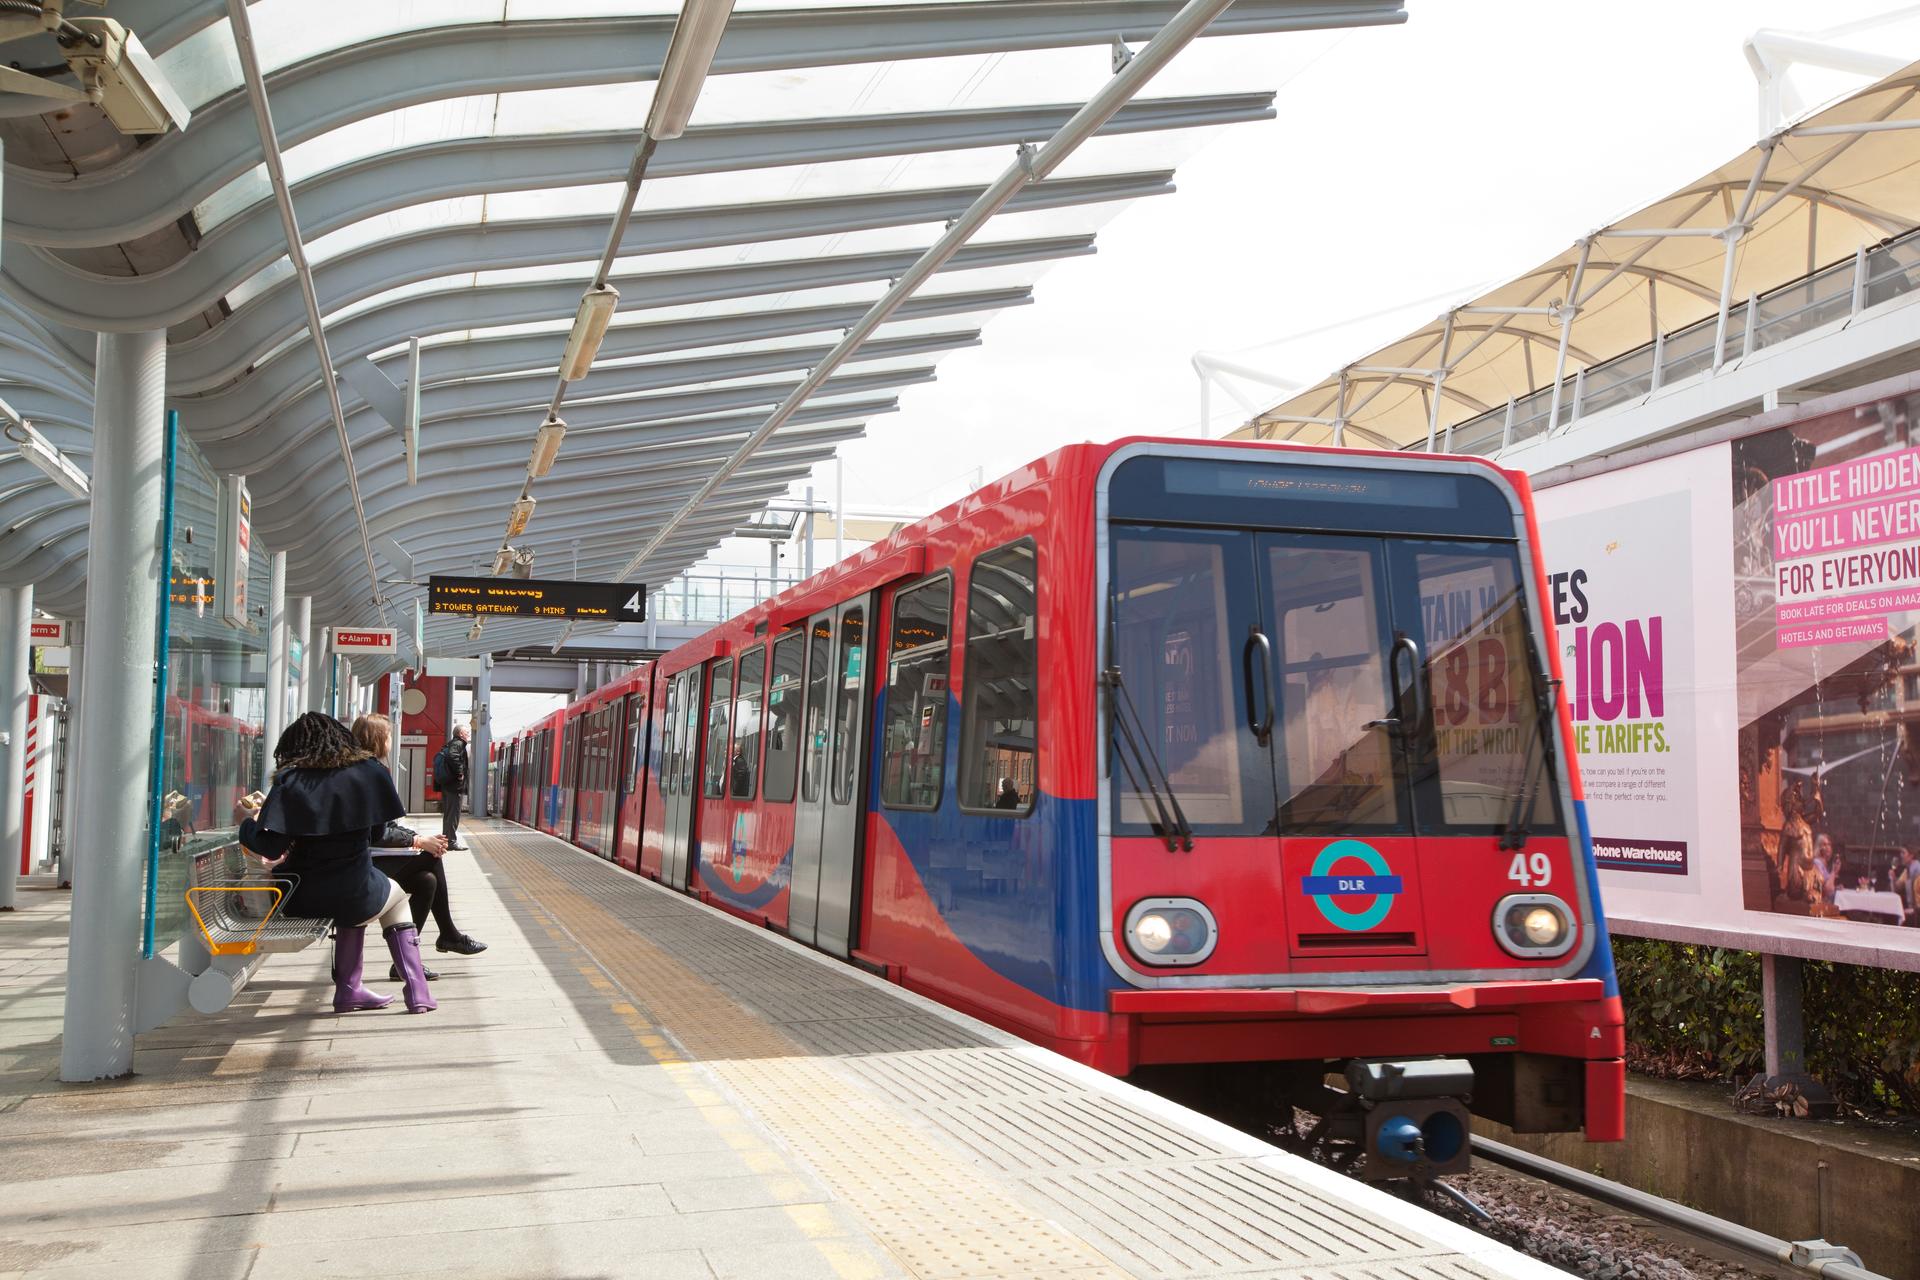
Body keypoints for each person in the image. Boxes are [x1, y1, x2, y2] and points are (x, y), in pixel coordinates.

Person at [238, 712, 436, 1014]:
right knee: (394, 898)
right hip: (355, 891)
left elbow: (269, 845)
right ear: (341, 739)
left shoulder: (290, 781)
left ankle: (351, 990)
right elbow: (376, 833)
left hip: (296, 897)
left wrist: (247, 824)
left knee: (357, 898)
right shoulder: (370, 772)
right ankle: (416, 990)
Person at [352, 715, 487, 971]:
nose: (392, 740)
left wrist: (420, 838)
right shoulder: (372, 772)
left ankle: (406, 961)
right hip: (360, 865)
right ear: (379, 739)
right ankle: (447, 934)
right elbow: (377, 834)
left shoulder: (361, 769)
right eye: (389, 735)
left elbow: (385, 827)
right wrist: (418, 841)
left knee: (427, 881)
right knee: (432, 857)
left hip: (361, 860)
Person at [434, 723, 472, 851]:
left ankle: (447, 841)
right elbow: (452, 756)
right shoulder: (458, 743)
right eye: (467, 732)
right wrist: (460, 772)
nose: (468, 735)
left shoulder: (451, 743)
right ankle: (451, 842)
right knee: (453, 814)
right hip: (454, 787)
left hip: (448, 785)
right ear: (460, 734)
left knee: (449, 814)